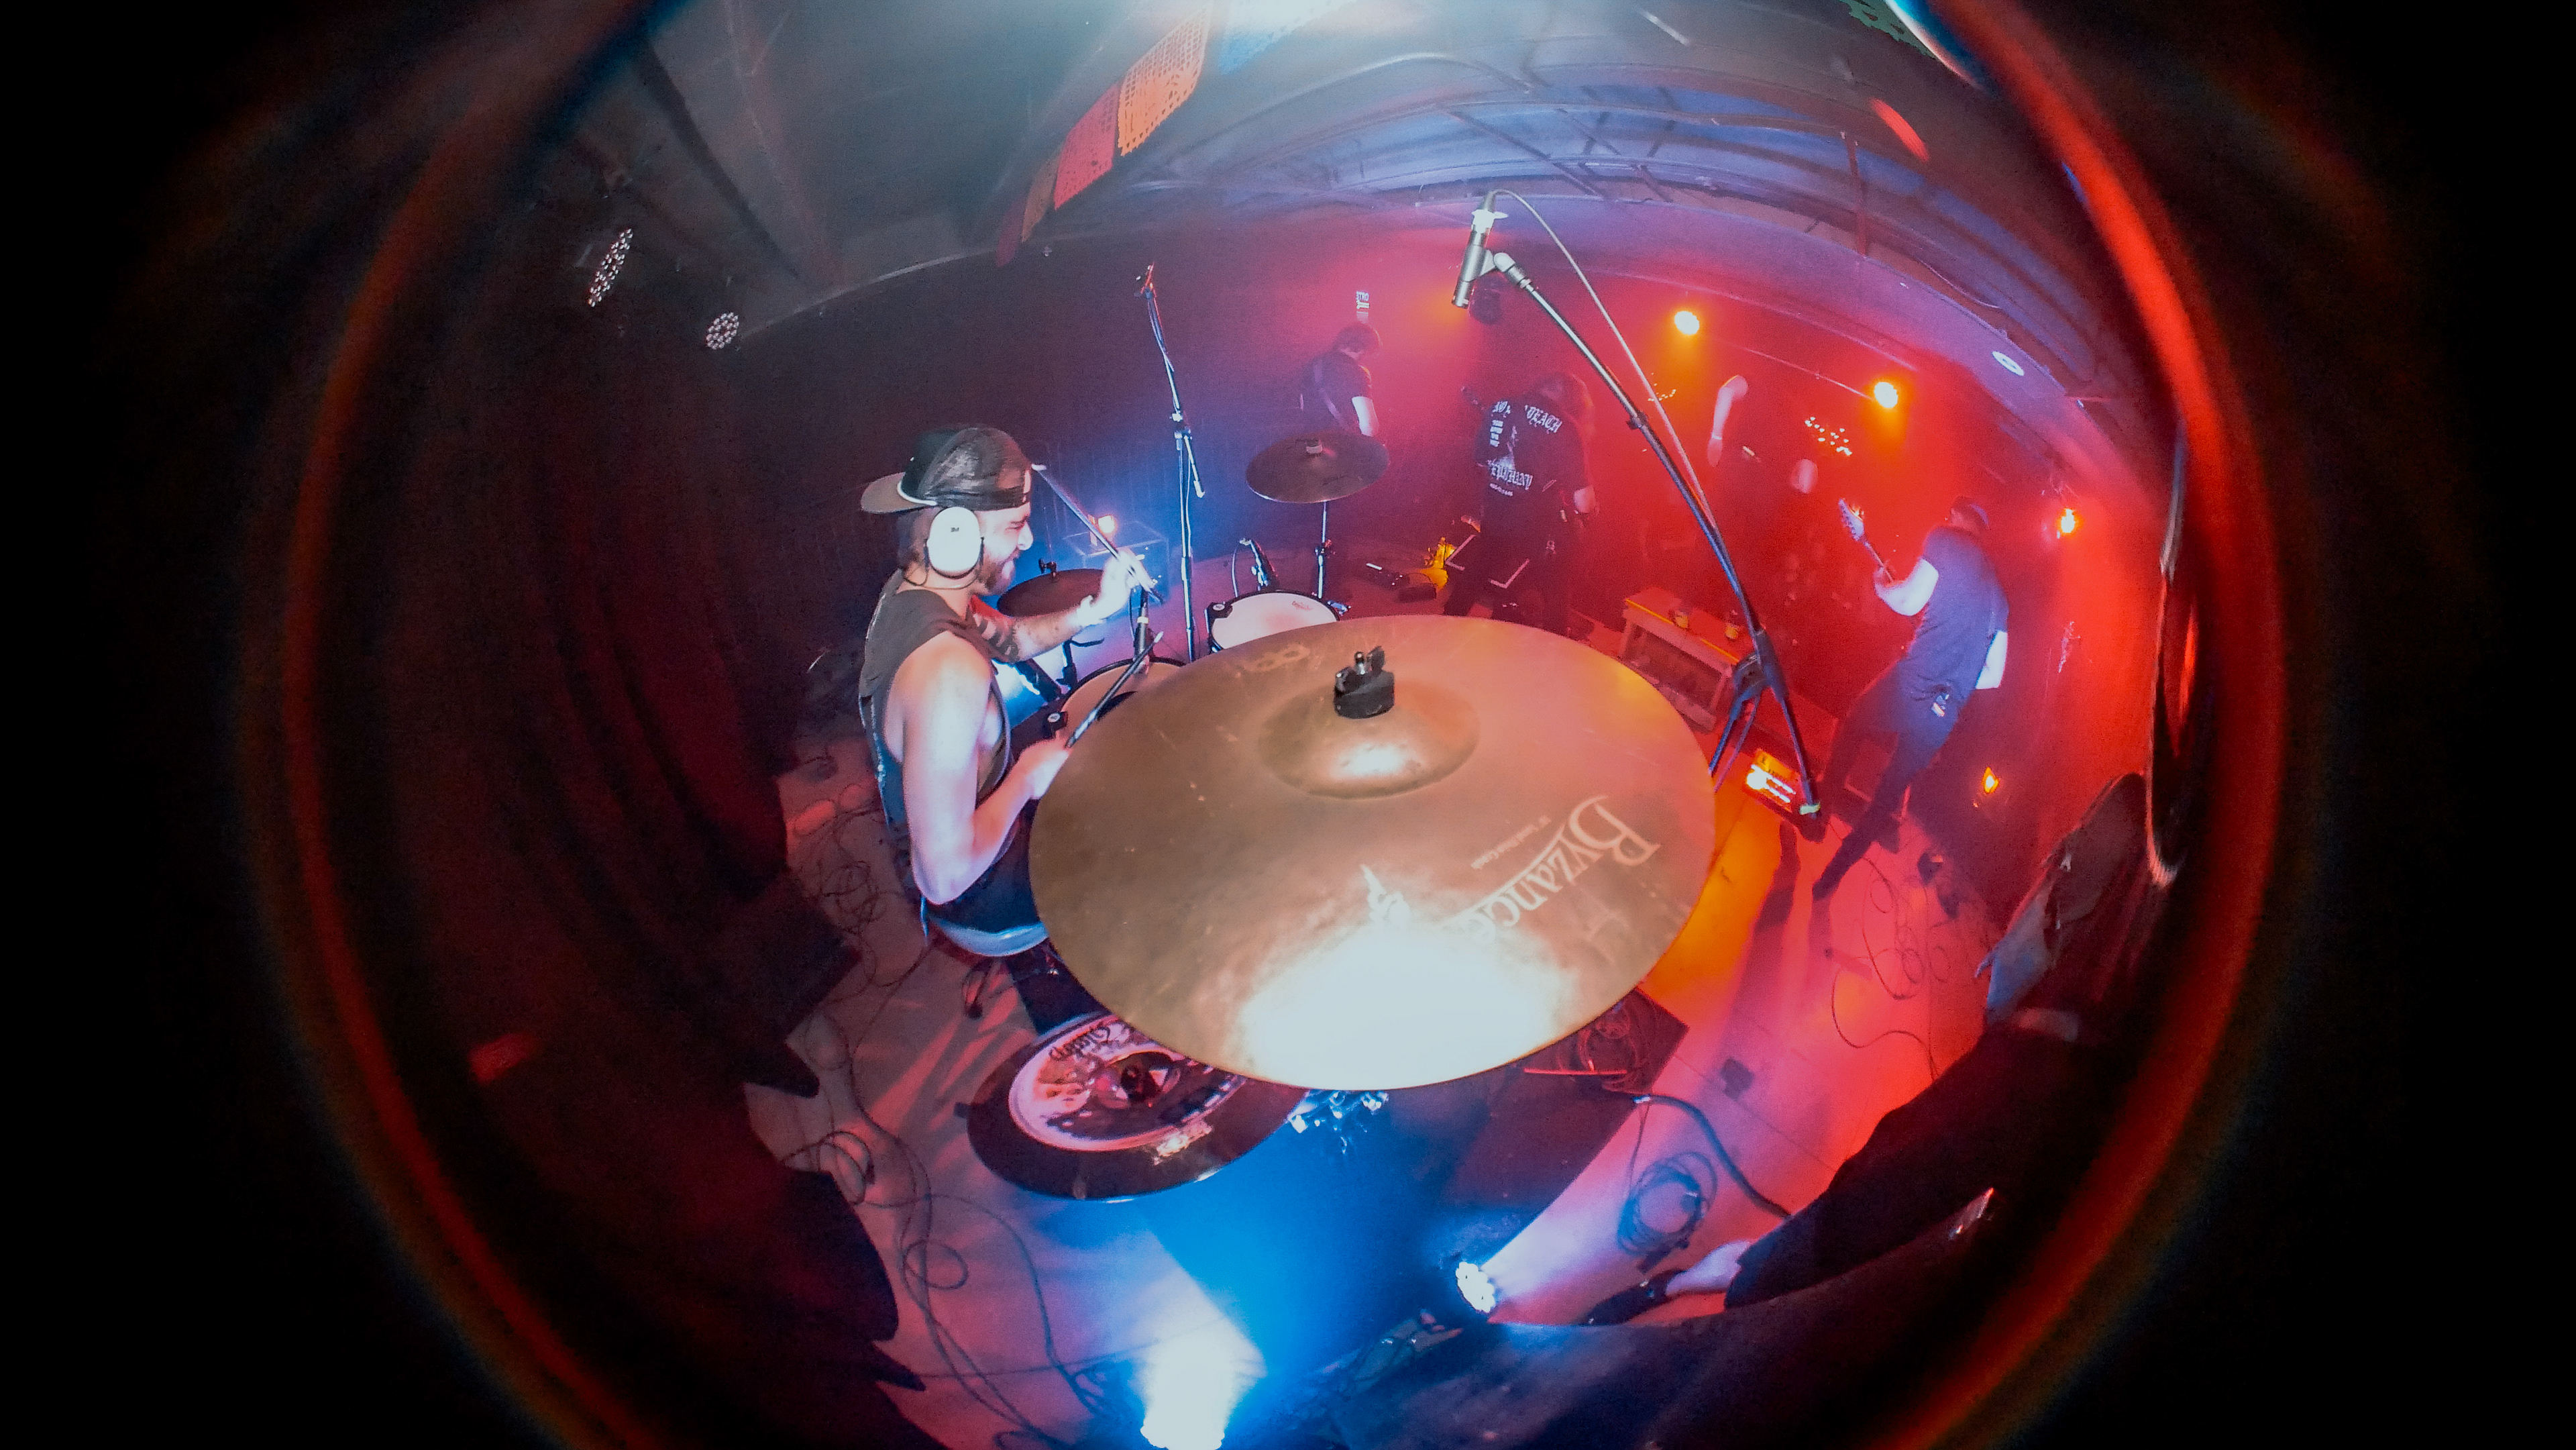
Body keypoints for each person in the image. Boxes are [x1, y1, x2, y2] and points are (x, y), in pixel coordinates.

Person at [856, 427, 1146, 939]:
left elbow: (1009, 638)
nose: (1028, 540)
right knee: (1139, 829)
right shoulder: (948, 674)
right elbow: (942, 878)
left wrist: (1096, 608)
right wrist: (1026, 780)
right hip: (985, 887)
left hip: (964, 820)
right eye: (1016, 525)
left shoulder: (915, 588)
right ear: (955, 534)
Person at [1811, 496, 2008, 898]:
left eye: (1950, 515)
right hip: (1943, 716)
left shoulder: (1945, 540)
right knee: (1888, 794)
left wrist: (1880, 586)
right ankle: (1832, 878)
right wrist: (1955, 675)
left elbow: (1907, 602)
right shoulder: (1999, 599)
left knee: (1854, 723)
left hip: (1911, 684)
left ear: (1958, 519)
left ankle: (1819, 815)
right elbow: (1993, 677)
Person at [1442, 371, 1598, 637]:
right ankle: (1556, 642)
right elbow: (1583, 502)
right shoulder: (1566, 427)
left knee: (1480, 566)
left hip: (1496, 510)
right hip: (1539, 524)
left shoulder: (1499, 407)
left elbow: (1480, 459)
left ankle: (1447, 623)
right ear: (1566, 395)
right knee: (1556, 583)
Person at [1296, 322, 1381, 436]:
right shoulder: (1356, 371)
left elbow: (1303, 406)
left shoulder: (1314, 364)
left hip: (1311, 441)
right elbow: (1369, 426)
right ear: (1365, 348)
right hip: (1342, 443)